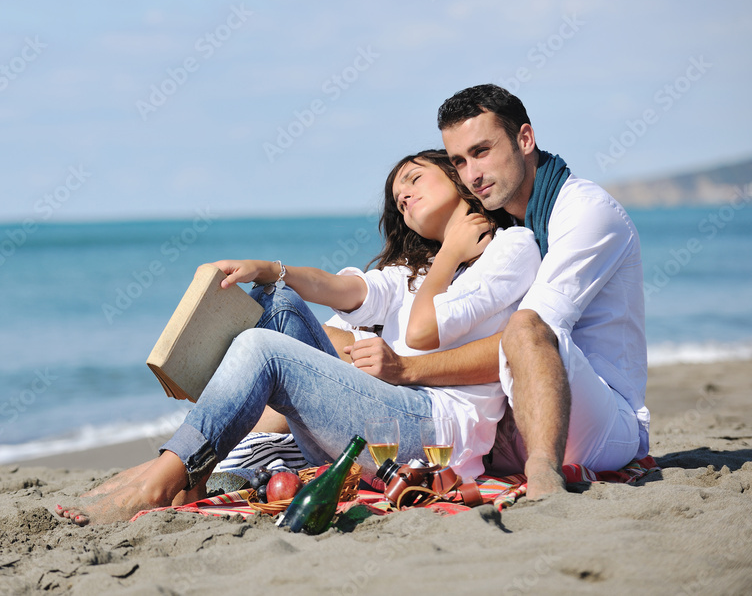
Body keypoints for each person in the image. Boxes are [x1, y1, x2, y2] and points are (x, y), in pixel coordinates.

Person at [55, 149, 541, 525]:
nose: (405, 196)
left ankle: (167, 478)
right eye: (398, 199)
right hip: (380, 420)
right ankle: (178, 465)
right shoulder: (407, 273)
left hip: (436, 437)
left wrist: (454, 252)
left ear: (459, 178)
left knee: (262, 348)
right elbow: (338, 288)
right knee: (280, 300)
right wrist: (271, 268)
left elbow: (422, 331)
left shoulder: (509, 247)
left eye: (415, 179)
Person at [349, 85, 649, 500]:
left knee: (526, 326)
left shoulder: (585, 212)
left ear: (524, 139)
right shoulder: (505, 227)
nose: (472, 173)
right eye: (459, 161)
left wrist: (406, 370)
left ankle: (544, 479)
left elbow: (528, 337)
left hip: (599, 423)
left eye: (482, 151)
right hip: (508, 422)